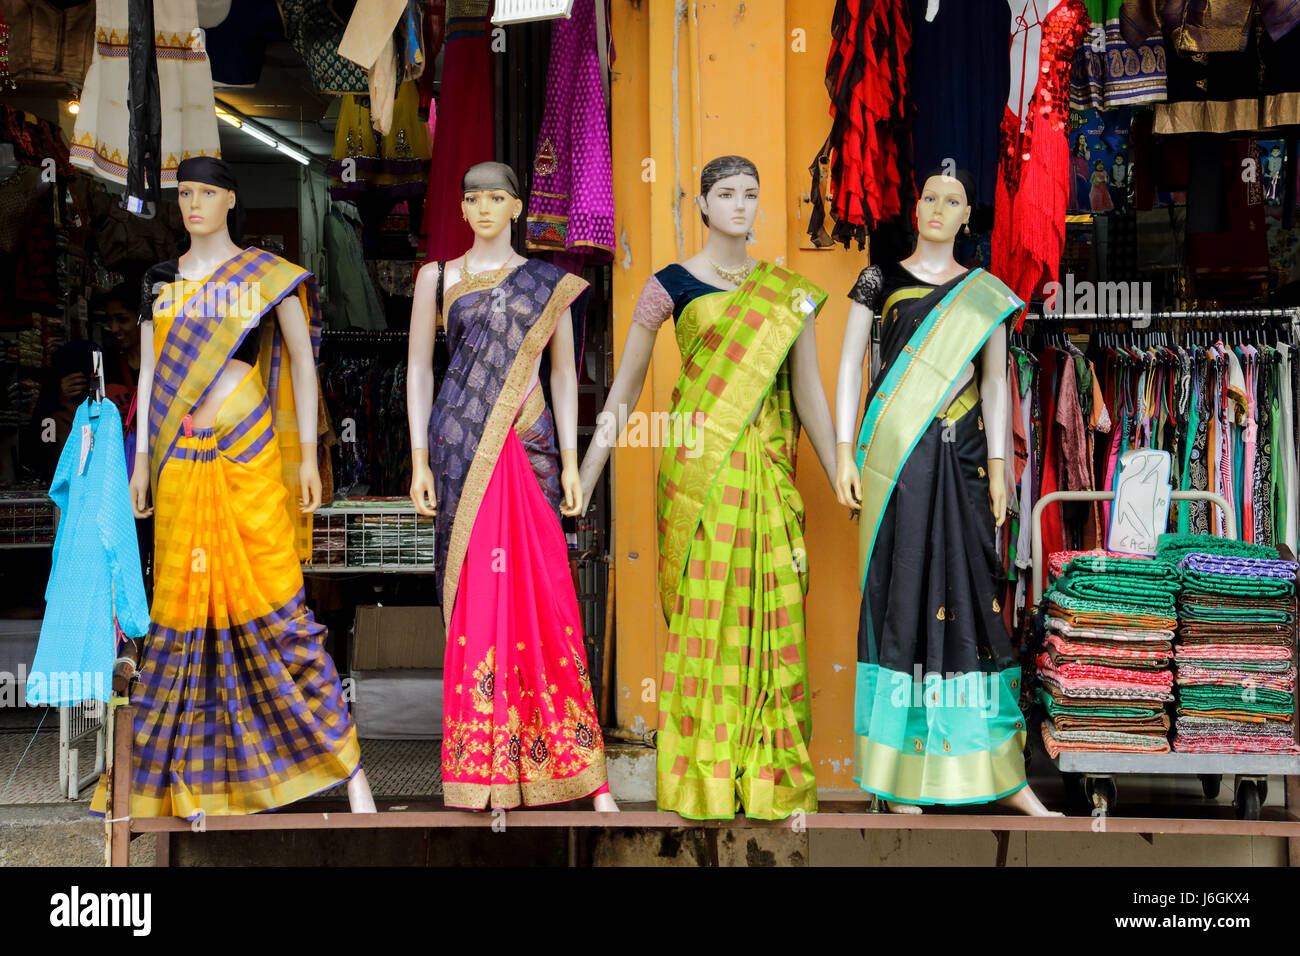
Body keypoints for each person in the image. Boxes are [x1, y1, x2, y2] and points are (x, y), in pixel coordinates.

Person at [91, 156, 375, 819]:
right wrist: (139, 467)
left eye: (206, 192)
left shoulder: (265, 278)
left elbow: (306, 367)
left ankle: (347, 765)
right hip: (181, 461)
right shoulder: (158, 281)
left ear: (230, 200)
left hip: (248, 454)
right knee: (182, 615)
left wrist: (308, 456)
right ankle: (181, 781)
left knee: (280, 605)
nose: (192, 203)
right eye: (184, 193)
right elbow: (156, 372)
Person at [579, 155, 839, 820]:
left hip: (766, 476)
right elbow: (627, 387)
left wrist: (840, 464)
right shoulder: (668, 287)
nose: (741, 206)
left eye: (751, 194)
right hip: (701, 477)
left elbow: (807, 388)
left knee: (772, 618)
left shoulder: (789, 293)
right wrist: (588, 469)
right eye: (726, 194)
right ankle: (706, 778)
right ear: (701, 204)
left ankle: (772, 777)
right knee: (704, 625)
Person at [836, 168, 1060, 816]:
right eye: (929, 196)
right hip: (897, 461)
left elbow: (994, 382)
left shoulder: (983, 293)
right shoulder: (879, 280)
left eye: (952, 201)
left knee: (974, 602)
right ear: (915, 206)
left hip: (961, 457)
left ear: (968, 218)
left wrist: (998, 462)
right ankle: (899, 774)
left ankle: (998, 772)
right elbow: (851, 363)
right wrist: (846, 453)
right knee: (899, 603)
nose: (938, 207)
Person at [407, 162, 615, 812]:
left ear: (518, 207)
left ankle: (583, 774)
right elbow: (417, 368)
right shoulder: (435, 279)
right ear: (463, 210)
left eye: (498, 197)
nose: (485, 208)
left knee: (547, 598)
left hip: (530, 452)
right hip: (463, 450)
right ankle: (487, 772)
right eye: (474, 199)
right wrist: (417, 459)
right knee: (479, 605)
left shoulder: (544, 285)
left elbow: (561, 375)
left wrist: (577, 463)